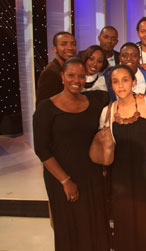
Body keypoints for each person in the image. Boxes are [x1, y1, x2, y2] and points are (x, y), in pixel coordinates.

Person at [33, 57, 109, 251]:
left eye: (81, 76)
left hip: (91, 176)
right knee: (69, 228)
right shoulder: (46, 108)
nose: (76, 80)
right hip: (62, 178)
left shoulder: (96, 101)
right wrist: (66, 181)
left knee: (94, 226)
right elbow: (41, 149)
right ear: (62, 77)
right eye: (71, 75)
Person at [102, 64, 146, 251]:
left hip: (145, 175)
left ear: (134, 82)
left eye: (125, 80)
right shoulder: (107, 111)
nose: (120, 86)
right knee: (124, 223)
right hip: (120, 178)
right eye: (115, 82)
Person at [36, 31, 77, 105]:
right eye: (64, 44)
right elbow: (43, 106)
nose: (70, 48)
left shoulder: (70, 69)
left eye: (73, 44)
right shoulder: (50, 73)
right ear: (54, 49)